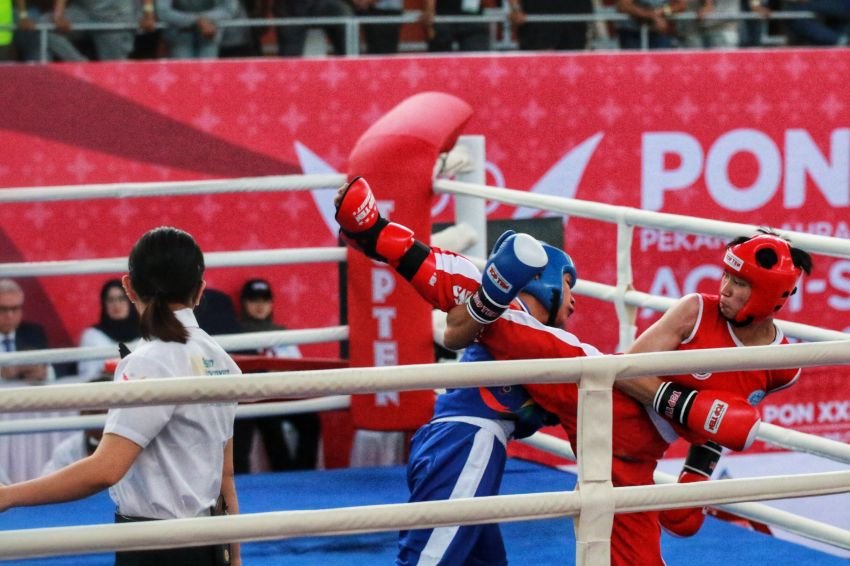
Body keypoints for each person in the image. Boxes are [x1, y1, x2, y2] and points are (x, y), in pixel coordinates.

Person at [335, 177, 813, 565]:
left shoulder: (781, 365)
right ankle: (379, 234)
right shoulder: (695, 311)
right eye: (727, 277)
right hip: (605, 404)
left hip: (632, 463)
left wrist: (697, 474)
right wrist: (685, 405)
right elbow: (625, 371)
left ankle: (464, 285)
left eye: (740, 285)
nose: (726, 289)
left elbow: (727, 417)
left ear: (774, 296)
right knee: (511, 327)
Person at [0, 226, 242, 566]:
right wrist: (234, 558)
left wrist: (9, 495)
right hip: (207, 543)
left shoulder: (148, 361)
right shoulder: (222, 361)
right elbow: (225, 476)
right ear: (200, 291)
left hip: (155, 548)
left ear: (128, 286)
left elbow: (106, 469)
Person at [397, 237, 585, 565]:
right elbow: (456, 323)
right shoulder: (508, 316)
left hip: (458, 440)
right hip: (467, 441)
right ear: (545, 281)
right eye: (569, 285)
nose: (574, 303)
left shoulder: (517, 330)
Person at [233, 278, 321, 473]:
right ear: (244, 303)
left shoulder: (282, 334)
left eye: (264, 300)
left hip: (285, 393)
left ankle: (303, 474)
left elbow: (297, 367)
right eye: (253, 300)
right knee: (270, 424)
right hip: (256, 398)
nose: (259, 306)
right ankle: (284, 474)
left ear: (271, 304)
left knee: (310, 420)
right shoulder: (236, 335)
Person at [77, 279, 141, 381]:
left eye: (122, 298)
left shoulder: (145, 334)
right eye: (110, 300)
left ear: (130, 301)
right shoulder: (92, 336)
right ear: (104, 304)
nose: (116, 304)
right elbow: (87, 377)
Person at [0, 278, 51, 385]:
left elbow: (56, 370)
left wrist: (43, 372)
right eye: (3, 309)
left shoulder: (34, 333)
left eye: (15, 309)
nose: (9, 315)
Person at [156, 0, 238, 58]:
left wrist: (203, 19)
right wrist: (197, 20)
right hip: (179, 31)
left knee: (207, 72)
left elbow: (228, 10)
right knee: (183, 72)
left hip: (210, 31)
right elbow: (162, 11)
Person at [271, 0, 353, 56]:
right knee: (290, 57)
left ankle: (353, 69)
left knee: (342, 13)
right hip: (290, 6)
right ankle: (289, 77)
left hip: (322, 3)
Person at [508, 0, 594, 51]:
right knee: (540, 67)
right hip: (537, 19)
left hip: (575, 18)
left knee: (575, 65)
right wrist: (516, 8)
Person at [421, 0, 490, 53]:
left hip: (472, 18)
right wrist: (429, 10)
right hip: (442, 17)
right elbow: (429, 15)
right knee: (440, 54)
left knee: (476, 54)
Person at [615, 0, 687, 49]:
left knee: (662, 66)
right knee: (634, 67)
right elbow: (623, 5)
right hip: (632, 32)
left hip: (660, 32)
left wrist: (662, 11)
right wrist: (652, 16)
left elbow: (681, 5)